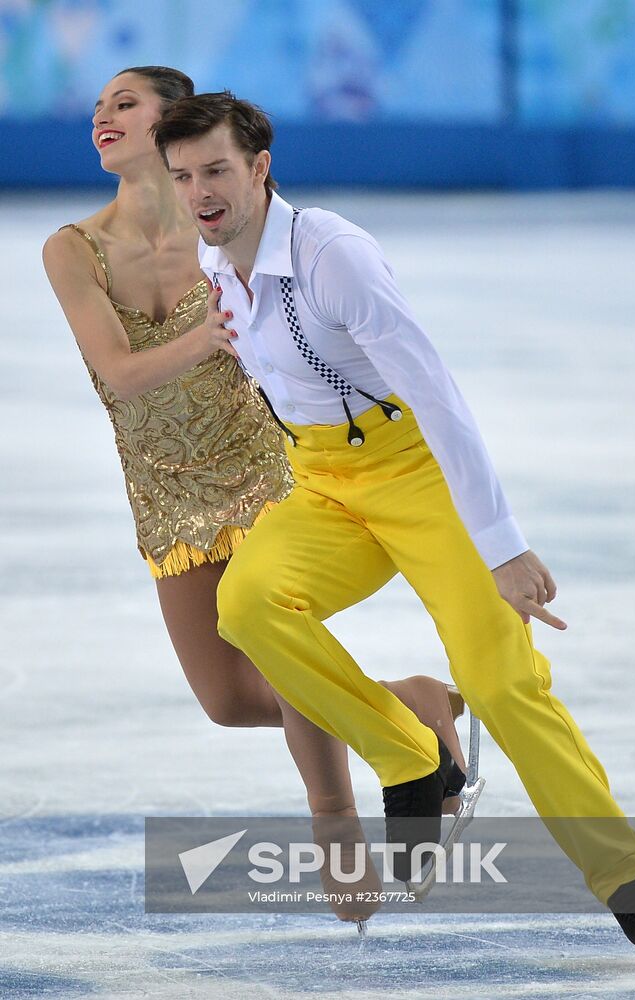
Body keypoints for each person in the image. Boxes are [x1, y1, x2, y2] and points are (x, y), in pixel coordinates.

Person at [150, 89, 635, 955]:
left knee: (502, 678)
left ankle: (623, 871)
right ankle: (410, 753)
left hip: (417, 473)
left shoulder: (333, 255)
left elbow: (435, 394)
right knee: (247, 605)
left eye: (215, 168)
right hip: (325, 482)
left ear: (258, 167)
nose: (200, 190)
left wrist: (500, 545)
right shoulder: (218, 269)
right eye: (183, 175)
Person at [41, 66, 472, 925]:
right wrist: (208, 334)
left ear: (179, 128)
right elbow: (122, 376)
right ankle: (414, 702)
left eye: (125, 104)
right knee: (230, 700)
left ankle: (335, 820)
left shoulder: (229, 233)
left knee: (280, 650)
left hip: (267, 468)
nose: (102, 118)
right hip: (165, 490)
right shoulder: (72, 248)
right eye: (97, 108)